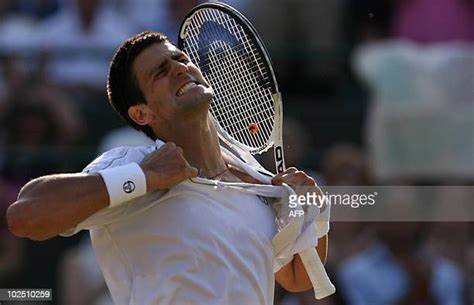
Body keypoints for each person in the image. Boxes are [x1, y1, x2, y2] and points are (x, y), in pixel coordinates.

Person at [6, 31, 328, 305]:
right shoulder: (135, 164)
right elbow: (26, 214)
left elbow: (301, 277)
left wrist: (311, 211)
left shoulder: (254, 178)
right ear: (141, 114)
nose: (179, 68)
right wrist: (143, 177)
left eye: (181, 59)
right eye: (160, 72)